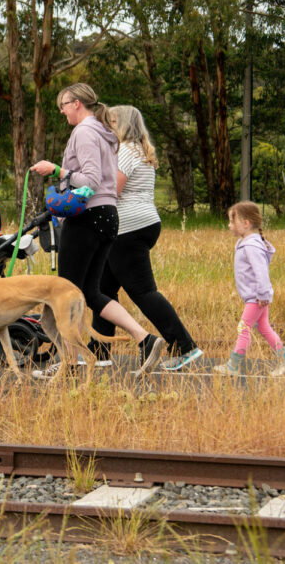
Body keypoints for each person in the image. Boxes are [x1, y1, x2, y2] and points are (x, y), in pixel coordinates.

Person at [29, 84, 167, 379]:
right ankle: (146, 339)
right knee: (91, 292)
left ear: (77, 103)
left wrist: (56, 170)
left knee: (64, 292)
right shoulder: (105, 133)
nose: (62, 111)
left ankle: (69, 363)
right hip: (107, 215)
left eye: (64, 105)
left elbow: (89, 179)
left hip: (88, 215)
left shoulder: (85, 132)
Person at [86, 105, 204, 371]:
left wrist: (78, 198)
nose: (107, 125)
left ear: (123, 125)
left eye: (111, 121)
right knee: (101, 291)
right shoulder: (139, 150)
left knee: (143, 292)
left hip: (128, 228)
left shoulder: (125, 151)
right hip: (142, 224)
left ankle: (185, 347)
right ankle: (99, 352)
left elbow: (112, 190)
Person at [214, 201, 285, 376]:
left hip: (256, 297)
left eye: (231, 221)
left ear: (245, 223)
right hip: (258, 296)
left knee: (244, 328)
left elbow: (261, 272)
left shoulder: (251, 246)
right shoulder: (247, 242)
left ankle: (233, 366)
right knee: (264, 327)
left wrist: (263, 294)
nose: (229, 226)